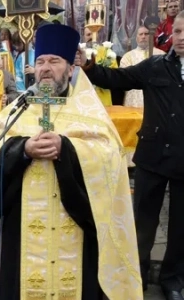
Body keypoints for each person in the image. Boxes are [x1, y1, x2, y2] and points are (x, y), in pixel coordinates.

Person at [0, 23, 142, 300]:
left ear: (70, 69)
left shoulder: (90, 113)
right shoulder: (17, 110)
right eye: (40, 61)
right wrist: (23, 149)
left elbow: (110, 159)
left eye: (54, 61)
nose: (45, 68)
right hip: (24, 229)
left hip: (77, 225)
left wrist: (67, 149)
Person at [78, 10, 184, 300]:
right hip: (152, 158)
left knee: (180, 227)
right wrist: (89, 65)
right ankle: (136, 272)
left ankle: (173, 280)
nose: (180, 38)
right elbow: (116, 78)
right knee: (143, 222)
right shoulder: (155, 66)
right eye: (176, 31)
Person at [120, 25, 165, 108]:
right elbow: (124, 79)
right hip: (133, 102)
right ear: (136, 37)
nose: (143, 36)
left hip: (156, 102)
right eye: (140, 34)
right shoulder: (127, 57)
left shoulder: (161, 55)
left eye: (146, 34)